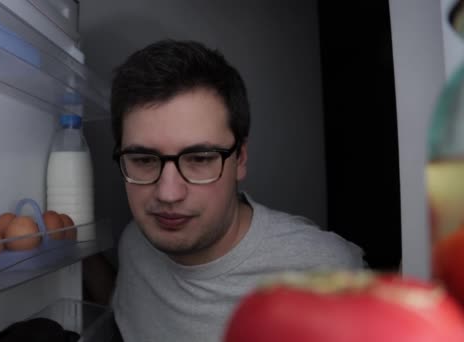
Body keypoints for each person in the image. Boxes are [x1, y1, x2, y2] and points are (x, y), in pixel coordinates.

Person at [108, 39, 365, 342]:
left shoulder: (325, 272)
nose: (168, 194)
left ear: (240, 158)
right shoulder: (134, 243)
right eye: (143, 160)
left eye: (200, 159)